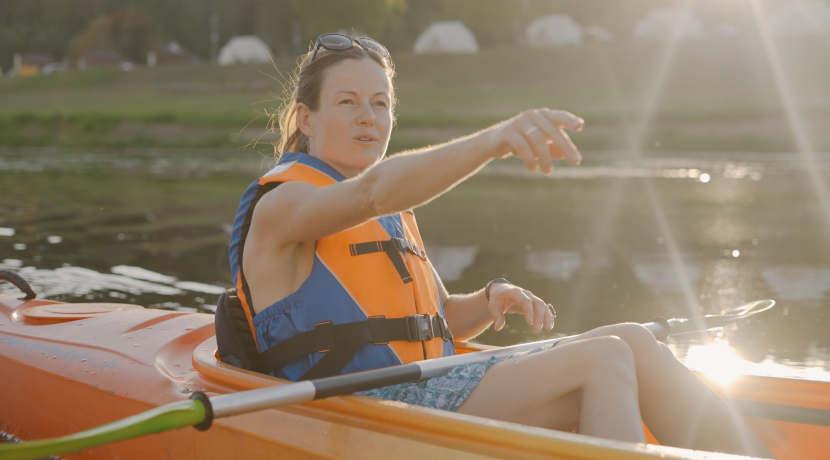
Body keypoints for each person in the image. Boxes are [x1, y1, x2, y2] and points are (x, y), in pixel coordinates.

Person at [222, 34, 775, 458]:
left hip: (428, 390)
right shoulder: (283, 205)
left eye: (381, 103)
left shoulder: (389, 211)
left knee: (630, 338)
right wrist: (494, 140)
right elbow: (372, 191)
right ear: (305, 118)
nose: (369, 117)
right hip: (361, 412)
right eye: (348, 102)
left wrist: (487, 301)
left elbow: (436, 321)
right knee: (604, 359)